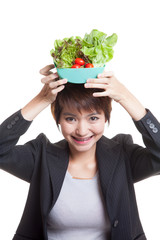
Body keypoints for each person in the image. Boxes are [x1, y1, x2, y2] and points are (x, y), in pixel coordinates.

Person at [0, 64, 160, 240]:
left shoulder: (123, 155)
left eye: (93, 118)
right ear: (57, 118)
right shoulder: (41, 157)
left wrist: (125, 97)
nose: (82, 131)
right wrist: (42, 99)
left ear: (106, 117)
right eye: (71, 118)